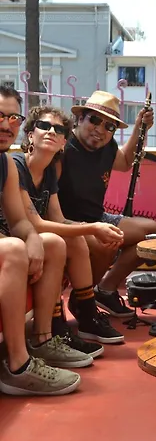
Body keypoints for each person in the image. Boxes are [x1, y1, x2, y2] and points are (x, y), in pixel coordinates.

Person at [11, 105, 125, 352]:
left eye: (59, 129)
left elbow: (59, 219)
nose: (51, 131)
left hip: (30, 236)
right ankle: (55, 327)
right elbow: (35, 223)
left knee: (75, 240)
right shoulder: (16, 166)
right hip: (12, 237)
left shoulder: (49, 172)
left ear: (64, 141)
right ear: (30, 134)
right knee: (58, 242)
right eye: (44, 126)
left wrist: (94, 228)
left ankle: (86, 316)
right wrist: (92, 228)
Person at [0, 86, 81, 395]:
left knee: (54, 243)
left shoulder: (5, 163)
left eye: (13, 117)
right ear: (32, 134)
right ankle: (17, 367)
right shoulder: (18, 162)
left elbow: (20, 220)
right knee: (13, 248)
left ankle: (43, 339)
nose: (6, 124)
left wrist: (33, 237)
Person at [57, 90, 156, 318]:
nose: (100, 129)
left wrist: (140, 128)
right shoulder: (63, 149)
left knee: (152, 234)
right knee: (106, 243)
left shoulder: (106, 146)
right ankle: (82, 300)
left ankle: (104, 289)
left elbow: (125, 162)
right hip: (68, 223)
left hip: (98, 217)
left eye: (109, 126)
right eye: (94, 120)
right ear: (80, 118)